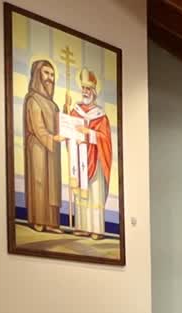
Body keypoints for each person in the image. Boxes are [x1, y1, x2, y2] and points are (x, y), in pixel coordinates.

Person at [68, 69, 113, 239]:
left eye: (89, 88)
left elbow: (105, 139)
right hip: (79, 157)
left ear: (94, 91)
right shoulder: (75, 111)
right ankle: (82, 226)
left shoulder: (101, 116)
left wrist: (88, 132)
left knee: (95, 193)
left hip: (96, 158)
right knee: (81, 193)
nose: (85, 92)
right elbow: (69, 131)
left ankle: (96, 229)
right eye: (83, 88)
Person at [24, 59, 63, 233]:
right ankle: (38, 219)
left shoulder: (53, 105)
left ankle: (52, 222)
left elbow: (59, 125)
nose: (50, 78)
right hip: (38, 148)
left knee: (52, 185)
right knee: (40, 182)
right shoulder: (33, 100)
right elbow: (37, 127)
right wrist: (51, 139)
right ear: (38, 74)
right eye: (46, 73)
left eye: (52, 74)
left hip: (52, 148)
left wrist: (66, 113)